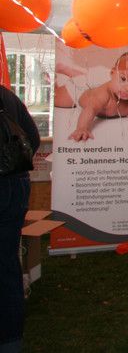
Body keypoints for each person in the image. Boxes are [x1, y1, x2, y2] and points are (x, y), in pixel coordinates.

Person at [0, 84, 40, 353]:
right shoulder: (6, 95)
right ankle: (11, 341)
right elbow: (33, 139)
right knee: (7, 265)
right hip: (16, 184)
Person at [54, 51, 128, 141]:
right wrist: (82, 128)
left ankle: (67, 70)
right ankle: (53, 81)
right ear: (112, 73)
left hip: (90, 84)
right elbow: (90, 109)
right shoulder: (104, 94)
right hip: (78, 91)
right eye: (123, 79)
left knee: (84, 79)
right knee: (57, 99)